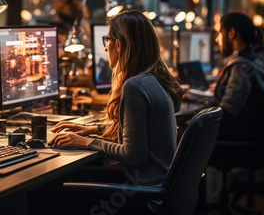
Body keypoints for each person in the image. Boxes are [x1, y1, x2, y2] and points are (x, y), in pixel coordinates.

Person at [49, 10, 183, 187]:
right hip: (157, 185)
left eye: (107, 39)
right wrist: (90, 128)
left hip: (142, 191)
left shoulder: (134, 86)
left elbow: (134, 155)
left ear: (118, 45)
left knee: (51, 184)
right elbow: (137, 130)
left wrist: (86, 142)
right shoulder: (155, 79)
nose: (105, 47)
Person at [210, 12, 264, 141]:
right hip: (246, 134)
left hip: (235, 142)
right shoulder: (253, 60)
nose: (217, 39)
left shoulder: (241, 66)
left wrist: (196, 121)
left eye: (220, 33)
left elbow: (227, 114)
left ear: (231, 33)